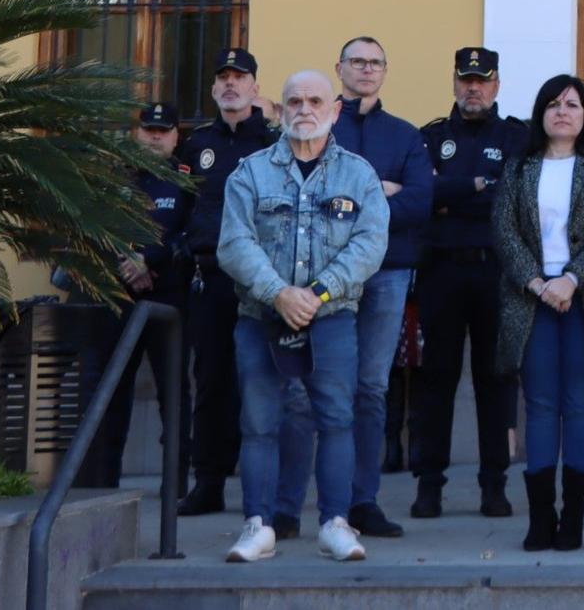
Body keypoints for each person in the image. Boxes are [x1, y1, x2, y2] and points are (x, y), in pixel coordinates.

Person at [218, 69, 390, 564]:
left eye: (315, 100)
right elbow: (234, 242)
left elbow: (371, 243)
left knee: (338, 419)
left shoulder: (358, 174)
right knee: (259, 423)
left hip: (332, 316)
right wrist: (279, 294)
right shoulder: (249, 173)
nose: (304, 109)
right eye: (294, 101)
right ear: (279, 110)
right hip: (261, 317)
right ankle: (258, 525)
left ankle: (335, 523)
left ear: (335, 110)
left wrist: (315, 292)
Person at [274, 37, 432, 540]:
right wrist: (379, 194)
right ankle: (289, 505)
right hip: (312, 283)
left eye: (375, 63)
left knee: (370, 389)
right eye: (357, 62)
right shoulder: (317, 125)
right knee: (302, 391)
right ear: (338, 68)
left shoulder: (405, 137)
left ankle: (362, 502)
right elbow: (299, 198)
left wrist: (353, 206)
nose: (366, 69)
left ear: (385, 72)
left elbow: (421, 203)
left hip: (385, 276)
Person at [495, 74, 584, 553]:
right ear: (541, 113)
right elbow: (505, 232)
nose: (562, 112)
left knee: (579, 403)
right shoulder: (518, 167)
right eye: (552, 104)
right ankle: (539, 518)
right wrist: (538, 282)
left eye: (572, 104)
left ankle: (572, 518)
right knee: (541, 404)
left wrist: (570, 279)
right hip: (530, 299)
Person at [411, 47, 528, 520]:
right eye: (466, 79)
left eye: (482, 80)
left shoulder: (517, 137)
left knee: (496, 381)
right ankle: (429, 485)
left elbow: (515, 199)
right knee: (434, 380)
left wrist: (451, 191)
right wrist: (479, 185)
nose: (473, 88)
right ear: (454, 82)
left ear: (497, 85)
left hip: (496, 272)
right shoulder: (430, 136)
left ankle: (493, 485)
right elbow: (422, 194)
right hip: (440, 271)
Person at [176, 47, 277, 517]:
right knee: (211, 382)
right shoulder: (196, 145)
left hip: (262, 281)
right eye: (224, 79)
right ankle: (208, 483)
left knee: (262, 380)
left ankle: (266, 491)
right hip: (211, 279)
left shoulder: (275, 141)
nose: (231, 85)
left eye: (240, 78)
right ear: (214, 89)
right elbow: (180, 206)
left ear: (256, 87)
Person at [97, 102, 194, 482]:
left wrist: (150, 261)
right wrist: (127, 262)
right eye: (149, 130)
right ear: (137, 135)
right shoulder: (115, 177)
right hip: (118, 293)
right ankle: (104, 480)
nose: (155, 136)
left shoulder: (186, 179)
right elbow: (95, 224)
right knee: (112, 385)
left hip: (167, 294)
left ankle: (176, 482)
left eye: (163, 130)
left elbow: (190, 232)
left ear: (175, 137)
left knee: (173, 391)